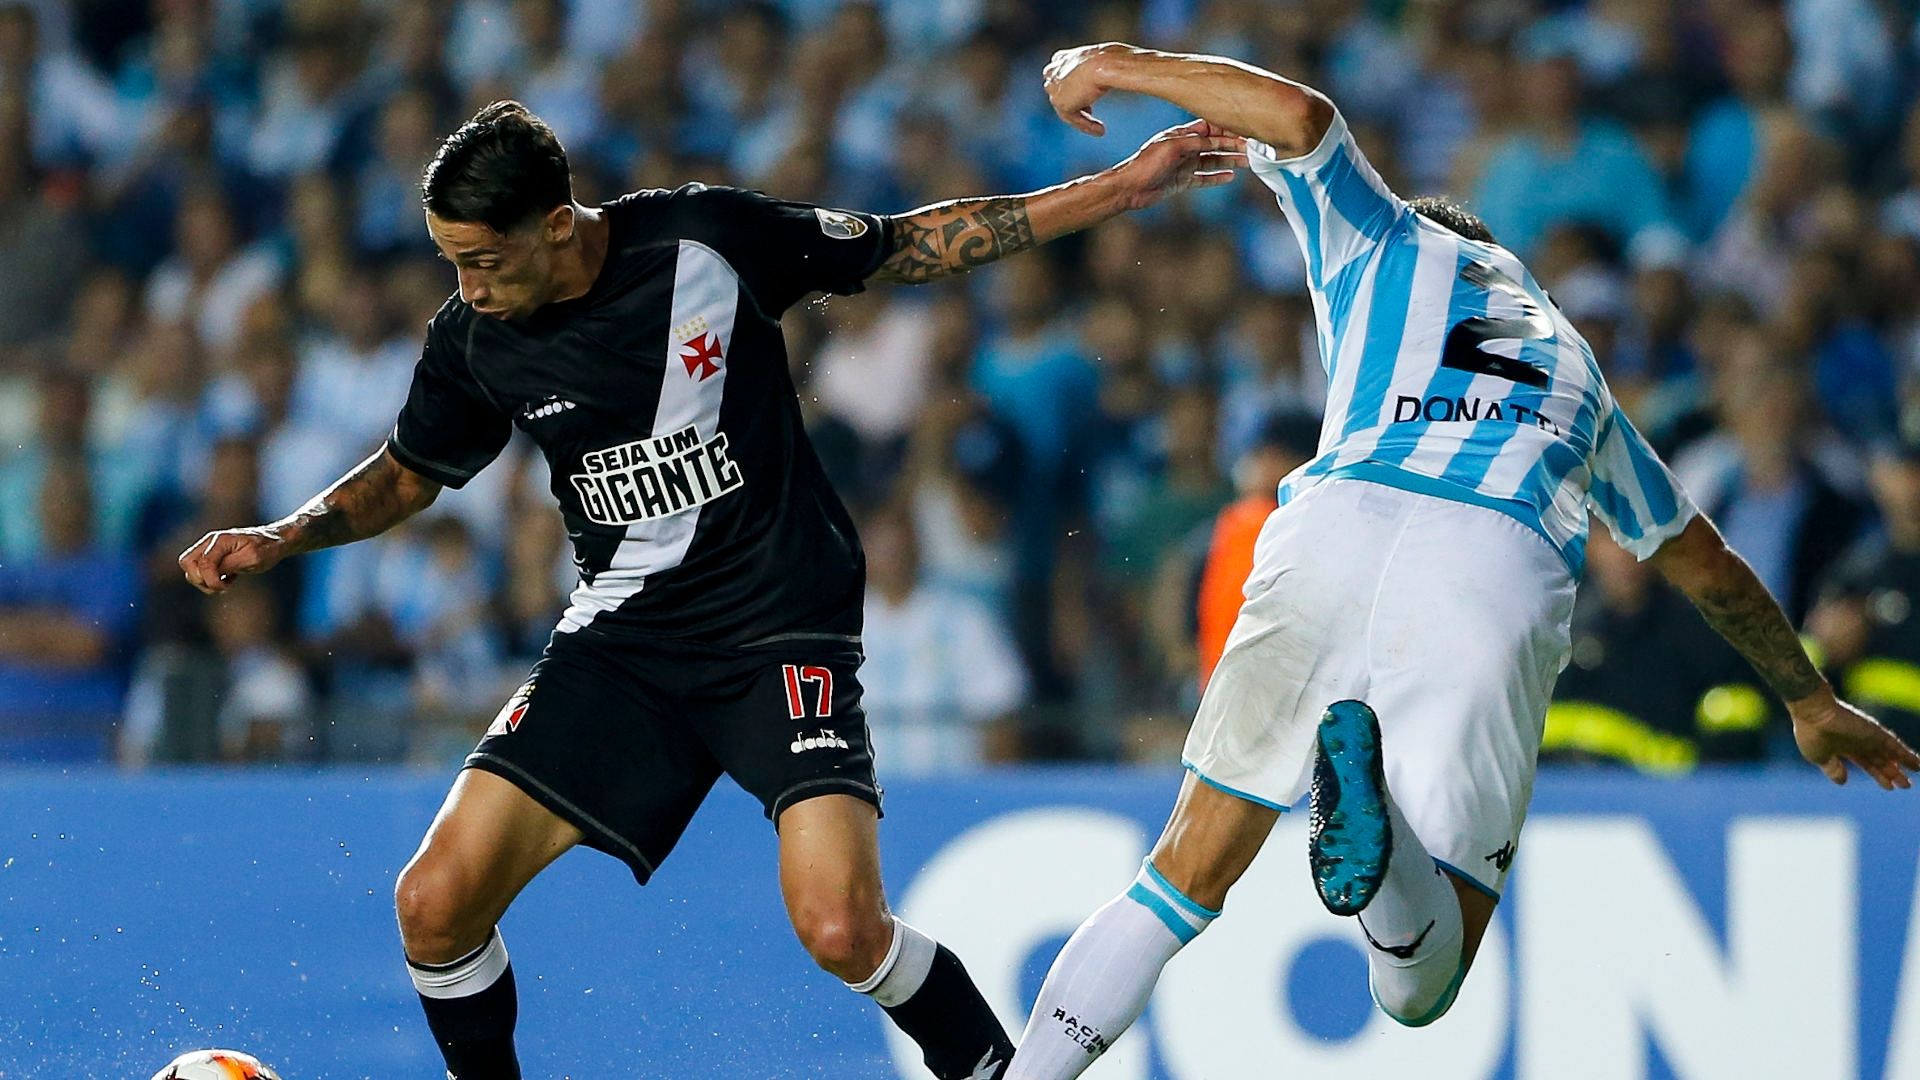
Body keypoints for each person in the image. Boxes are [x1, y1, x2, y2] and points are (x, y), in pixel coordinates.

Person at [177, 100, 1241, 1080]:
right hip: (622, 640)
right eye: (451, 263)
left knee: (842, 932)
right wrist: (285, 535)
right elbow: (411, 472)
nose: (469, 288)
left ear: (559, 224)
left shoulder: (705, 242)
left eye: (486, 260)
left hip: (781, 629)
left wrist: (1118, 188)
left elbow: (908, 244)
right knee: (434, 903)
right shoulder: (474, 339)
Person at [1003, 43, 1920, 1079]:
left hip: (1335, 517)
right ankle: (1377, 821)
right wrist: (1807, 699)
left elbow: (1299, 114)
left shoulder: (1388, 236)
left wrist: (1110, 62)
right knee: (1420, 987)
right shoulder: (1577, 369)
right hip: (1493, 558)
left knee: (1174, 887)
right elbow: (1706, 566)